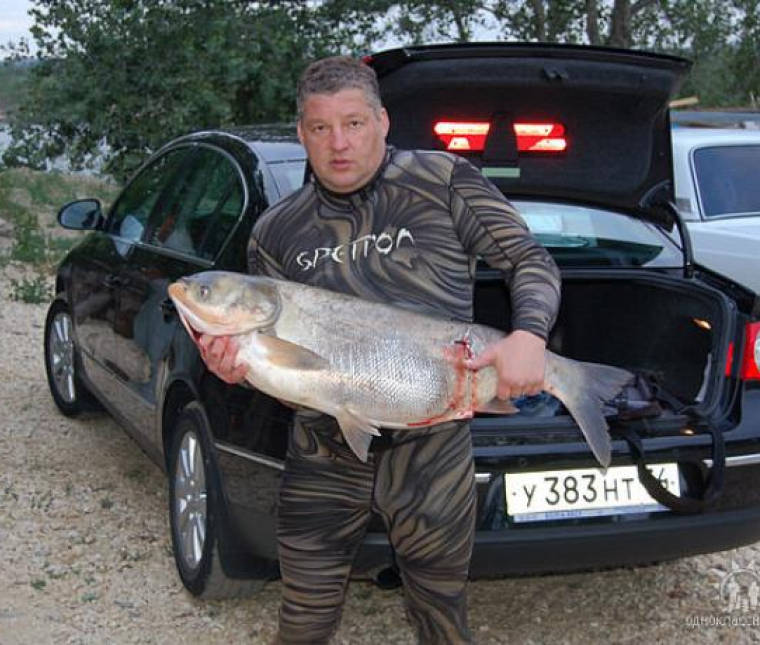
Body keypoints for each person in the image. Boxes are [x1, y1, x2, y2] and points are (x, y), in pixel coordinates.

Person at [199, 56, 561, 644]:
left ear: (383, 121)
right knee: (303, 619)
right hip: (323, 453)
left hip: (433, 452)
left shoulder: (442, 180)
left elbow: (530, 261)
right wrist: (235, 370)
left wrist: (530, 336)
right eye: (320, 128)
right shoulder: (276, 231)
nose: (338, 143)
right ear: (301, 134)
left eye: (354, 123)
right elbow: (277, 366)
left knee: (440, 614)